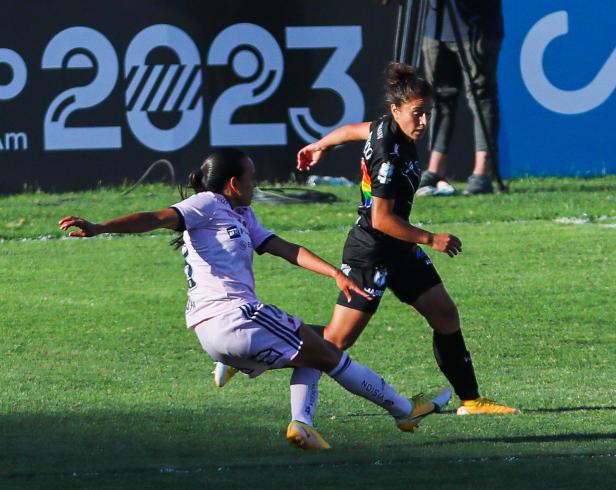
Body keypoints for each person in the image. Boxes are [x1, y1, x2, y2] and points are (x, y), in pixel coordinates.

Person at [58, 148, 451, 451]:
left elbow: (283, 248)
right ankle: (404, 411)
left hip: (218, 330)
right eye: (251, 178)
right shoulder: (207, 205)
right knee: (331, 353)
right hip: (235, 319)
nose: (256, 184)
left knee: (319, 343)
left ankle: (301, 424)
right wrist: (100, 227)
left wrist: (334, 272)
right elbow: (156, 217)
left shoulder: (242, 215)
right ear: (232, 183)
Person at [218, 63, 517, 416]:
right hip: (372, 252)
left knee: (445, 314)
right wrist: (429, 237)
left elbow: (350, 131)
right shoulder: (389, 155)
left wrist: (320, 145)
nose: (423, 122)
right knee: (334, 341)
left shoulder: (387, 127)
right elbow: (382, 219)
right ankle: (247, 351)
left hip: (399, 249)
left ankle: (470, 400)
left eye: (428, 114)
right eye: (417, 114)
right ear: (396, 110)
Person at [416, 0, 504, 196]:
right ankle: (434, 169)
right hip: (435, 27)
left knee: (481, 97)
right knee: (438, 98)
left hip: (475, 27)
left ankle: (481, 173)